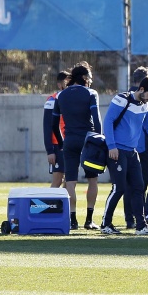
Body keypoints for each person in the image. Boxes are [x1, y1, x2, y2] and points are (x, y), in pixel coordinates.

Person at [101, 76, 148, 235]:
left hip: (132, 152)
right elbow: (108, 122)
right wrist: (111, 146)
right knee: (119, 188)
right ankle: (105, 224)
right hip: (117, 151)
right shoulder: (121, 99)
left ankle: (141, 226)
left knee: (138, 187)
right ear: (141, 89)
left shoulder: (146, 106)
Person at [52, 62, 101, 230]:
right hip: (88, 141)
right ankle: (89, 220)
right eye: (90, 78)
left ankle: (73, 220)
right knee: (92, 180)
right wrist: (99, 139)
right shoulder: (91, 93)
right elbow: (97, 120)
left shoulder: (61, 95)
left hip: (70, 141)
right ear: (85, 78)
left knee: (70, 182)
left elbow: (54, 124)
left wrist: (61, 142)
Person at [123, 66, 148, 229]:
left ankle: (132, 220)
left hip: (131, 147)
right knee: (144, 184)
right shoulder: (137, 98)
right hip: (140, 147)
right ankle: (143, 217)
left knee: (129, 186)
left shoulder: (133, 96)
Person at [43, 71, 70, 188]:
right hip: (57, 146)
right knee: (58, 179)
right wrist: (50, 151)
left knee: (70, 180)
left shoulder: (71, 100)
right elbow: (47, 126)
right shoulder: (52, 100)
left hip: (70, 144)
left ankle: (62, 206)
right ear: (60, 85)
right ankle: (48, 205)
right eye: (68, 82)